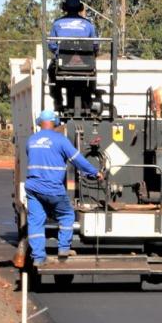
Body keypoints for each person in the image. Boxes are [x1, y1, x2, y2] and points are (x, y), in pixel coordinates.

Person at [24, 110, 100, 267]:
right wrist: (95, 172)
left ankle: (38, 258)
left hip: (33, 188)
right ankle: (64, 249)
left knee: (36, 222)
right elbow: (77, 160)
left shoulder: (31, 140)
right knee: (66, 214)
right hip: (52, 188)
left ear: (40, 123)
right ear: (55, 123)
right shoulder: (60, 140)